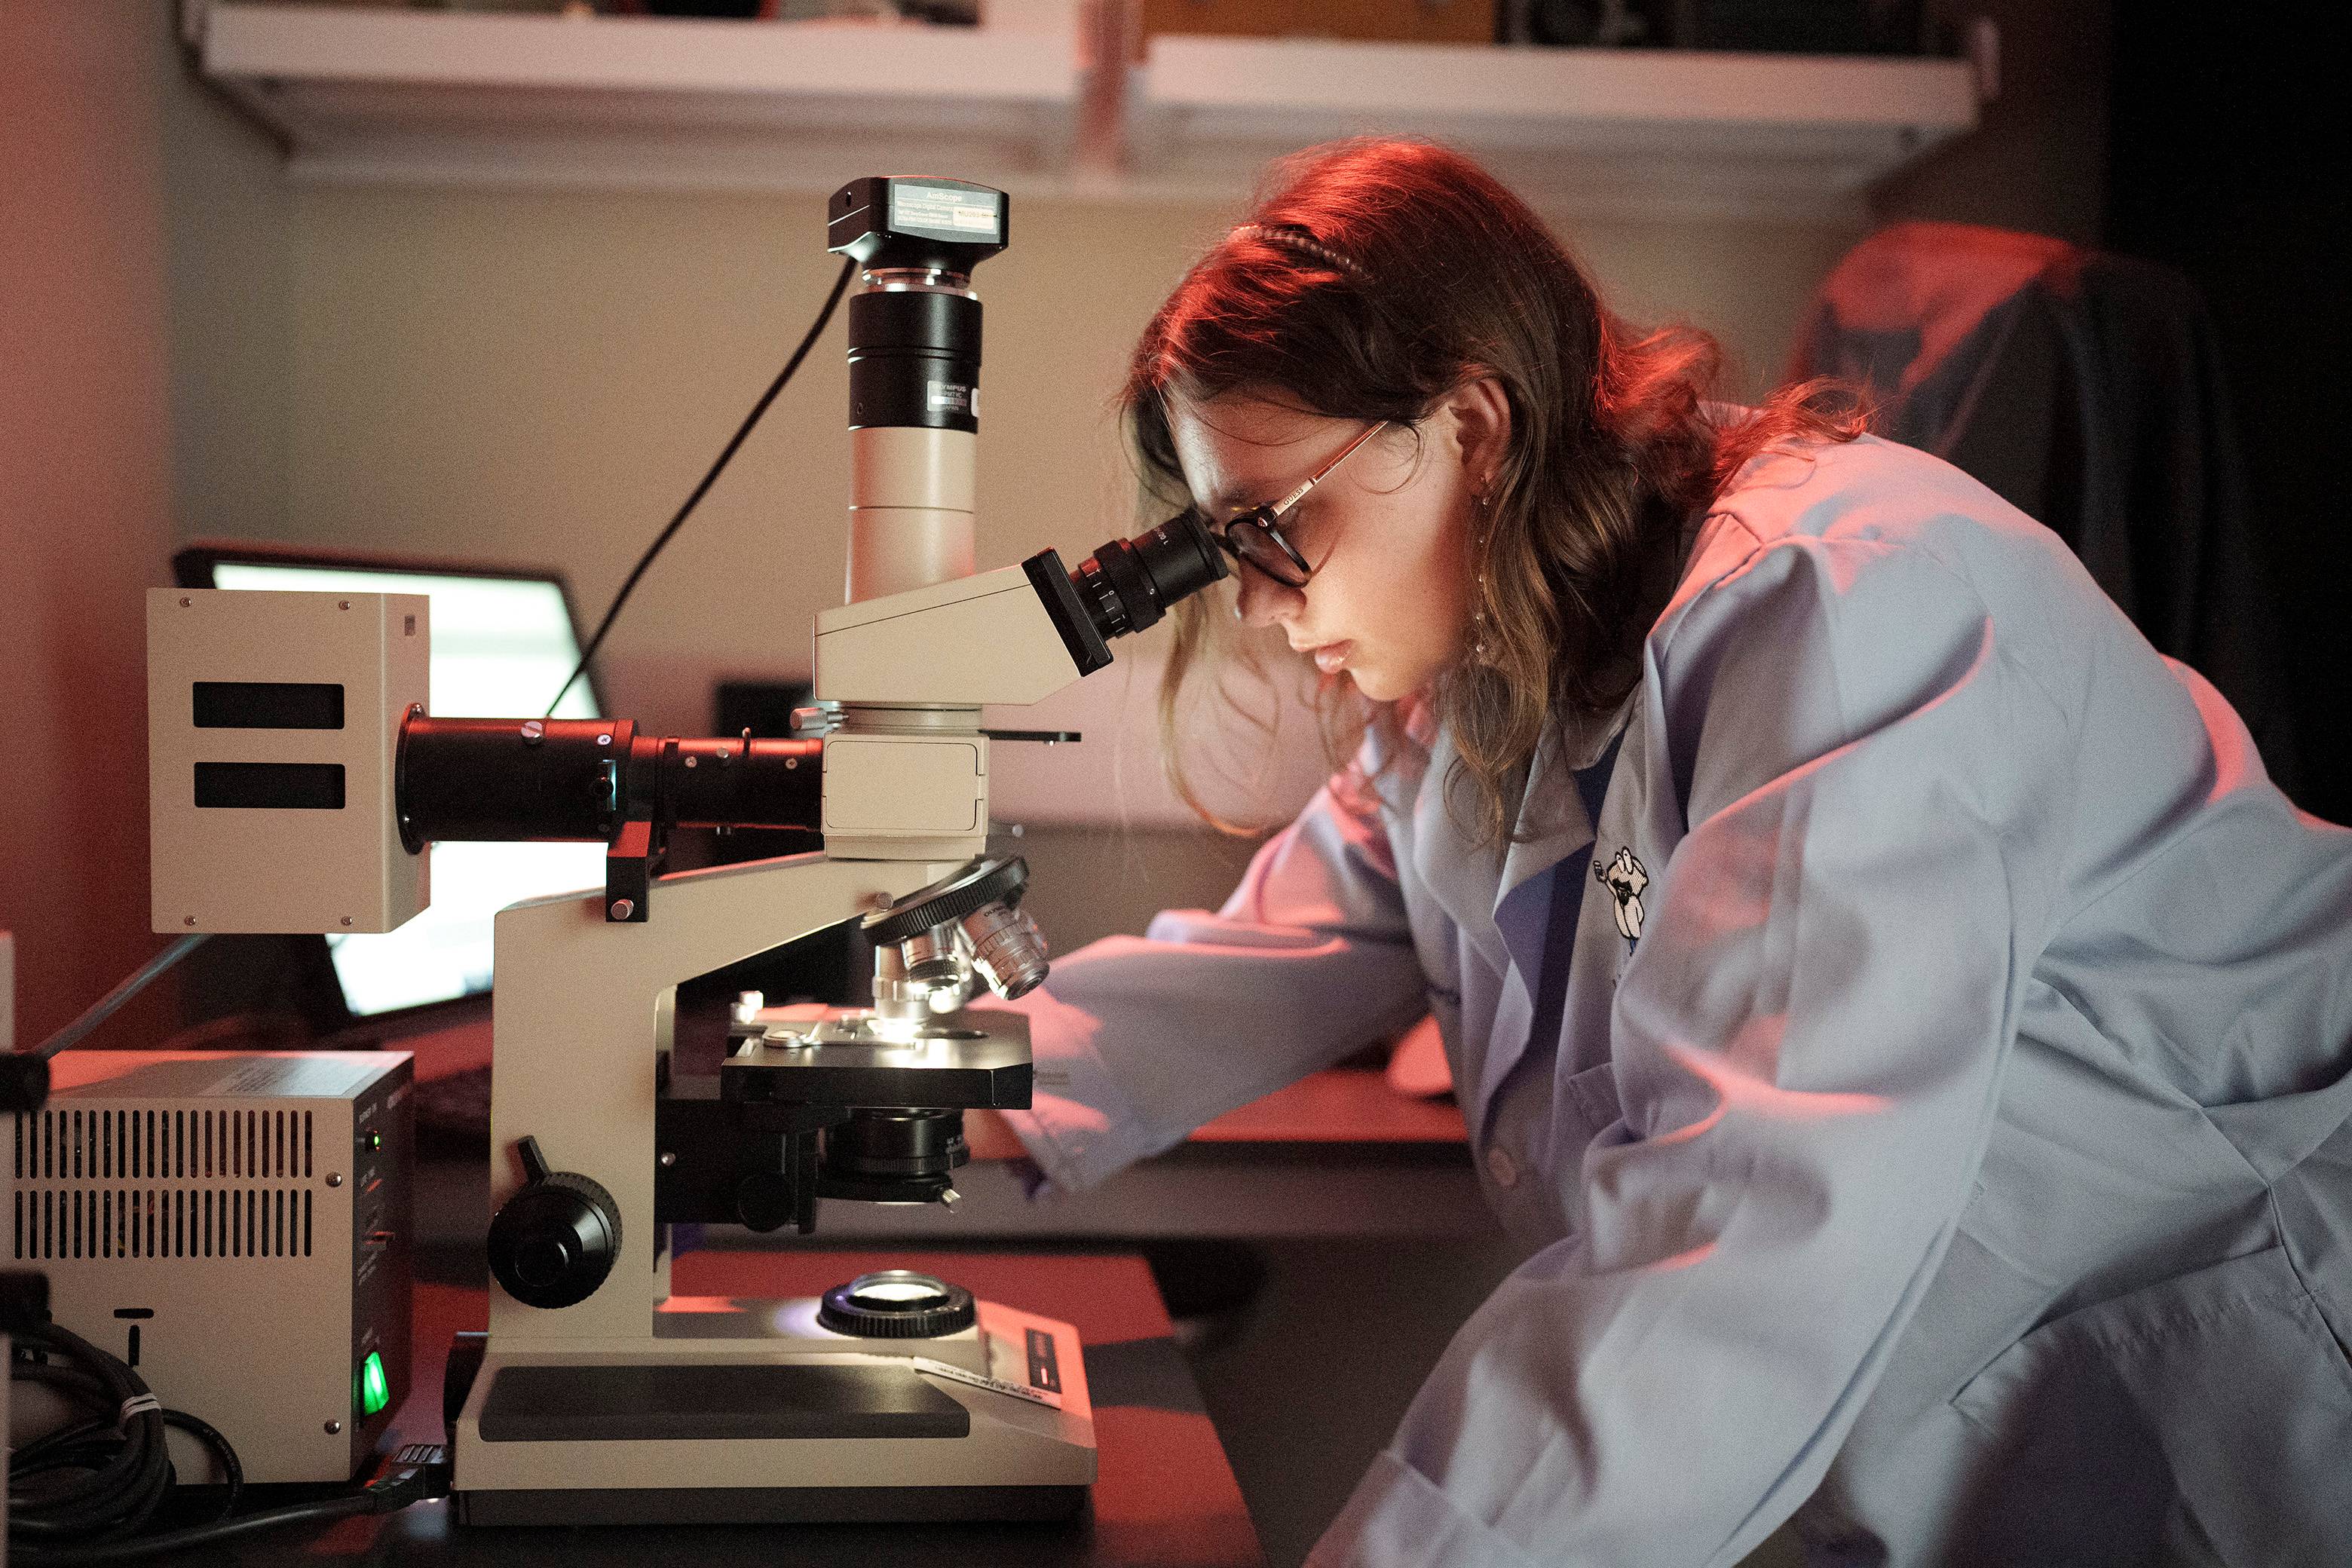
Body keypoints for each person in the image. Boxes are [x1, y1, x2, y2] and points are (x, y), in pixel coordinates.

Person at [980, 139, 2352, 1566]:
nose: (1259, 608)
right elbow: (1290, 947)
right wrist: (927, 1084)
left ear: (1472, 428)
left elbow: (1745, 1225)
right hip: (1988, 1417)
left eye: (1270, 530)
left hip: (2253, 1381)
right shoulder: (1477, 684)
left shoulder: (1845, 610)